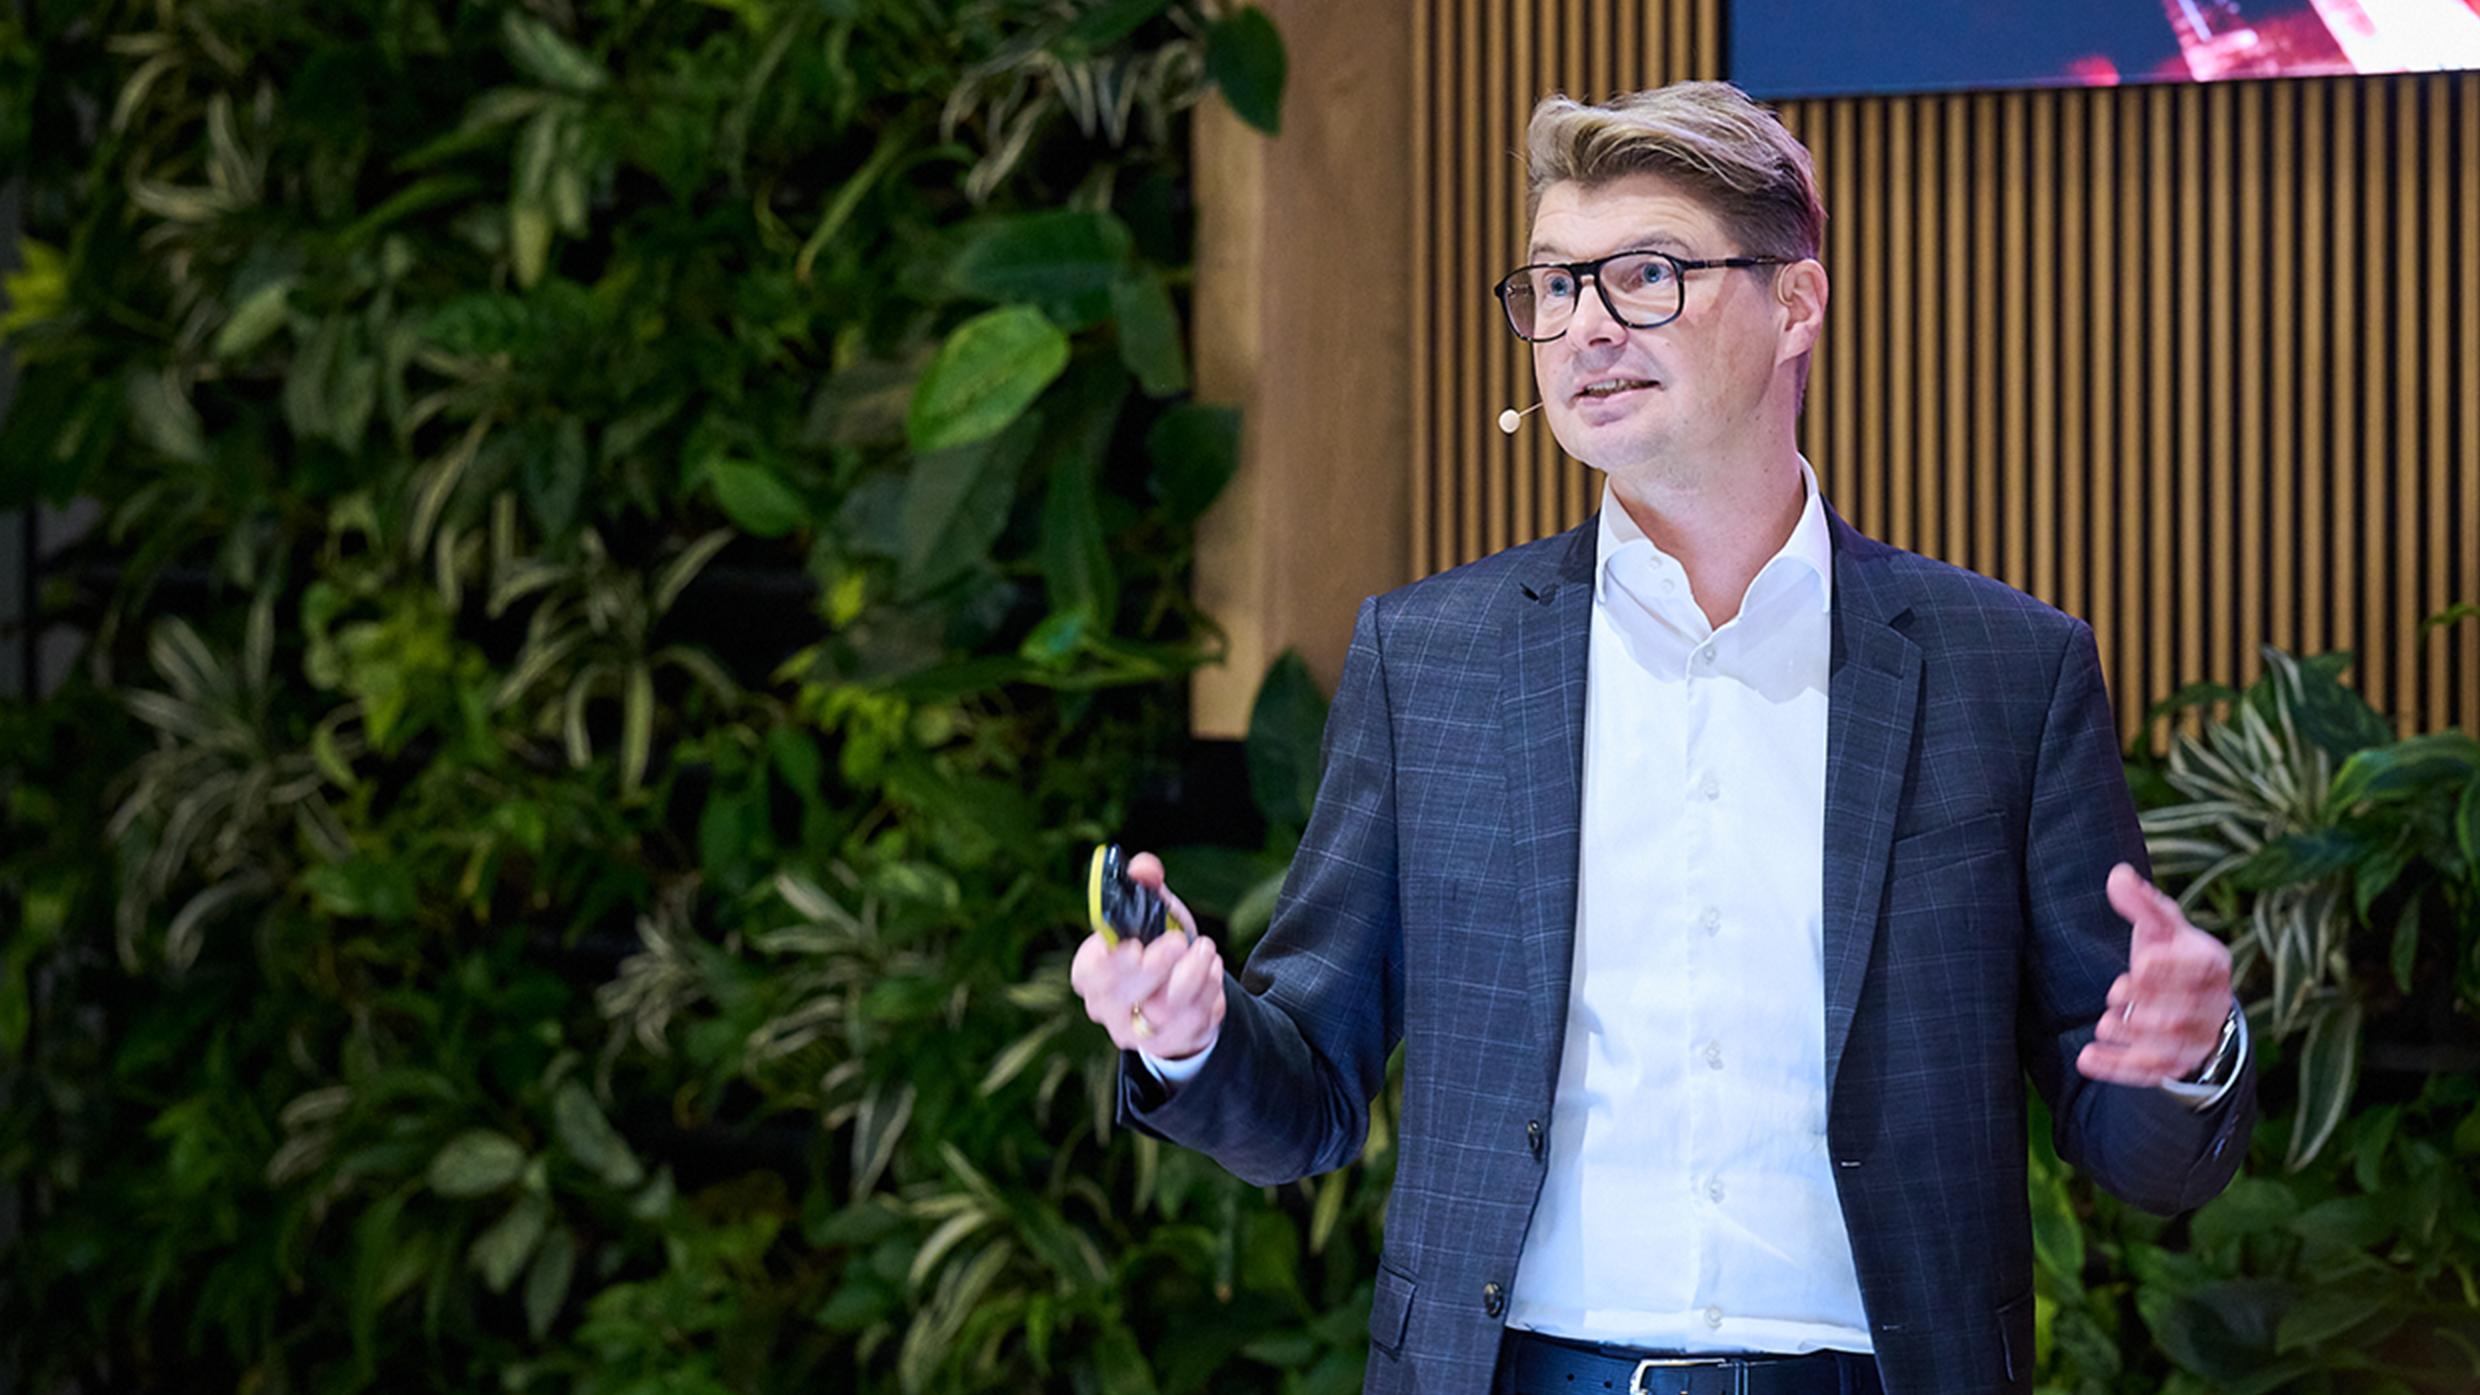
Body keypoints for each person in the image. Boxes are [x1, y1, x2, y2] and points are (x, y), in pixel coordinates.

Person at [1069, 81, 2251, 1395]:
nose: (1584, 326)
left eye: (1644, 275)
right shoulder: (1433, 661)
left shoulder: (2006, 671)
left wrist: (2185, 1056)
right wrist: (1189, 1032)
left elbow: (2136, 1139)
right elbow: (1305, 1101)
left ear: (1796, 304)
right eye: (1552, 285)